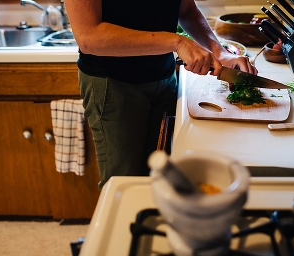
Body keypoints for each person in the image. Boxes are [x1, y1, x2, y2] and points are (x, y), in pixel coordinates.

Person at [67, 0, 257, 188]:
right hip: (115, 85)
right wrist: (177, 42)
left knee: (162, 177)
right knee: (124, 184)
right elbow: (88, 37)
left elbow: (187, 9)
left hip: (164, 78)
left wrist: (219, 52)